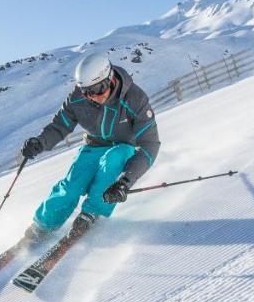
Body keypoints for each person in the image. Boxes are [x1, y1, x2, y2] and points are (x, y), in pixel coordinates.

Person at [19, 53, 161, 240]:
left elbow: (150, 145)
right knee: (72, 186)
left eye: (99, 89)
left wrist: (125, 181)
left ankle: (93, 211)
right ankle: (44, 224)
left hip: (123, 147)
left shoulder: (135, 99)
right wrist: (40, 142)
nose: (94, 96)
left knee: (113, 159)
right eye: (87, 91)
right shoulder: (78, 98)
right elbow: (60, 125)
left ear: (109, 79)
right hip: (93, 145)